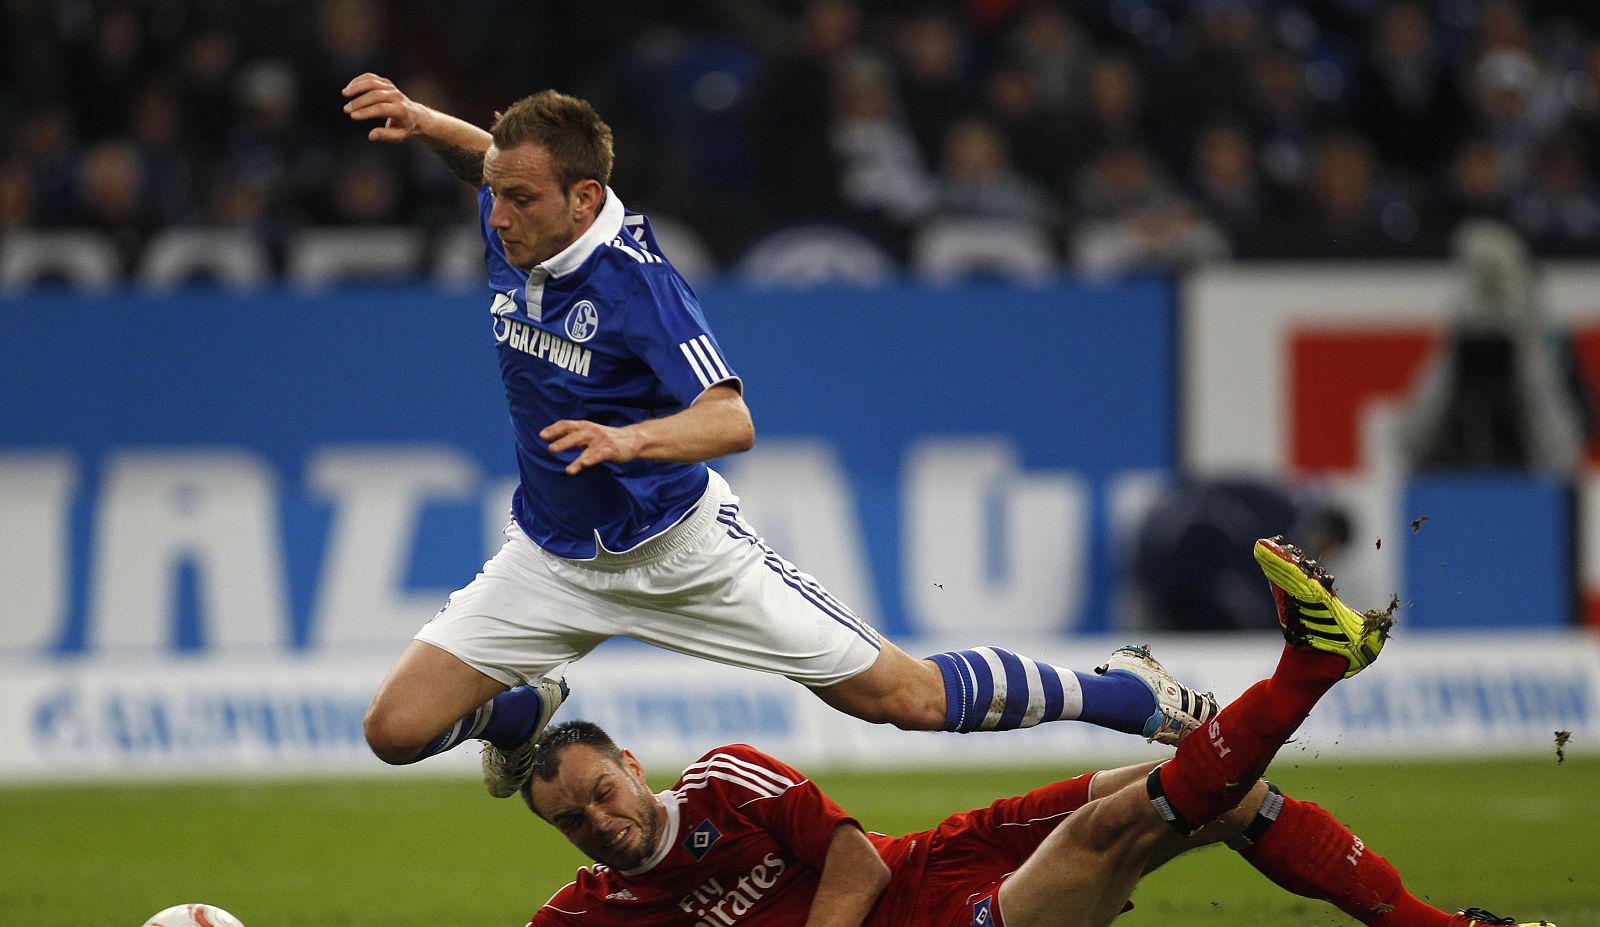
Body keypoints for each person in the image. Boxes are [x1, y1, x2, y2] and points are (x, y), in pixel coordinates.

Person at [335, 71, 1221, 798]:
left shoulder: (636, 285)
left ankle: (1122, 692)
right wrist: (420, 121)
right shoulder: (523, 223)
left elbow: (732, 419)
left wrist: (627, 441)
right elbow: (487, 160)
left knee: (901, 697)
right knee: (394, 731)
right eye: (494, 198)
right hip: (552, 558)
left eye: (518, 200)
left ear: (585, 198)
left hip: (680, 554)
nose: (497, 219)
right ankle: (525, 714)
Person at [255, 538, 1558, 927]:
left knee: (1235, 804)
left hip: (945, 866)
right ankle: (1310, 670)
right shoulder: (597, 917)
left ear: (628, 761)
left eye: (599, 791)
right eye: (576, 823)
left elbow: (861, 858)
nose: (601, 823)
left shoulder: (726, 781)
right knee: (1151, 817)